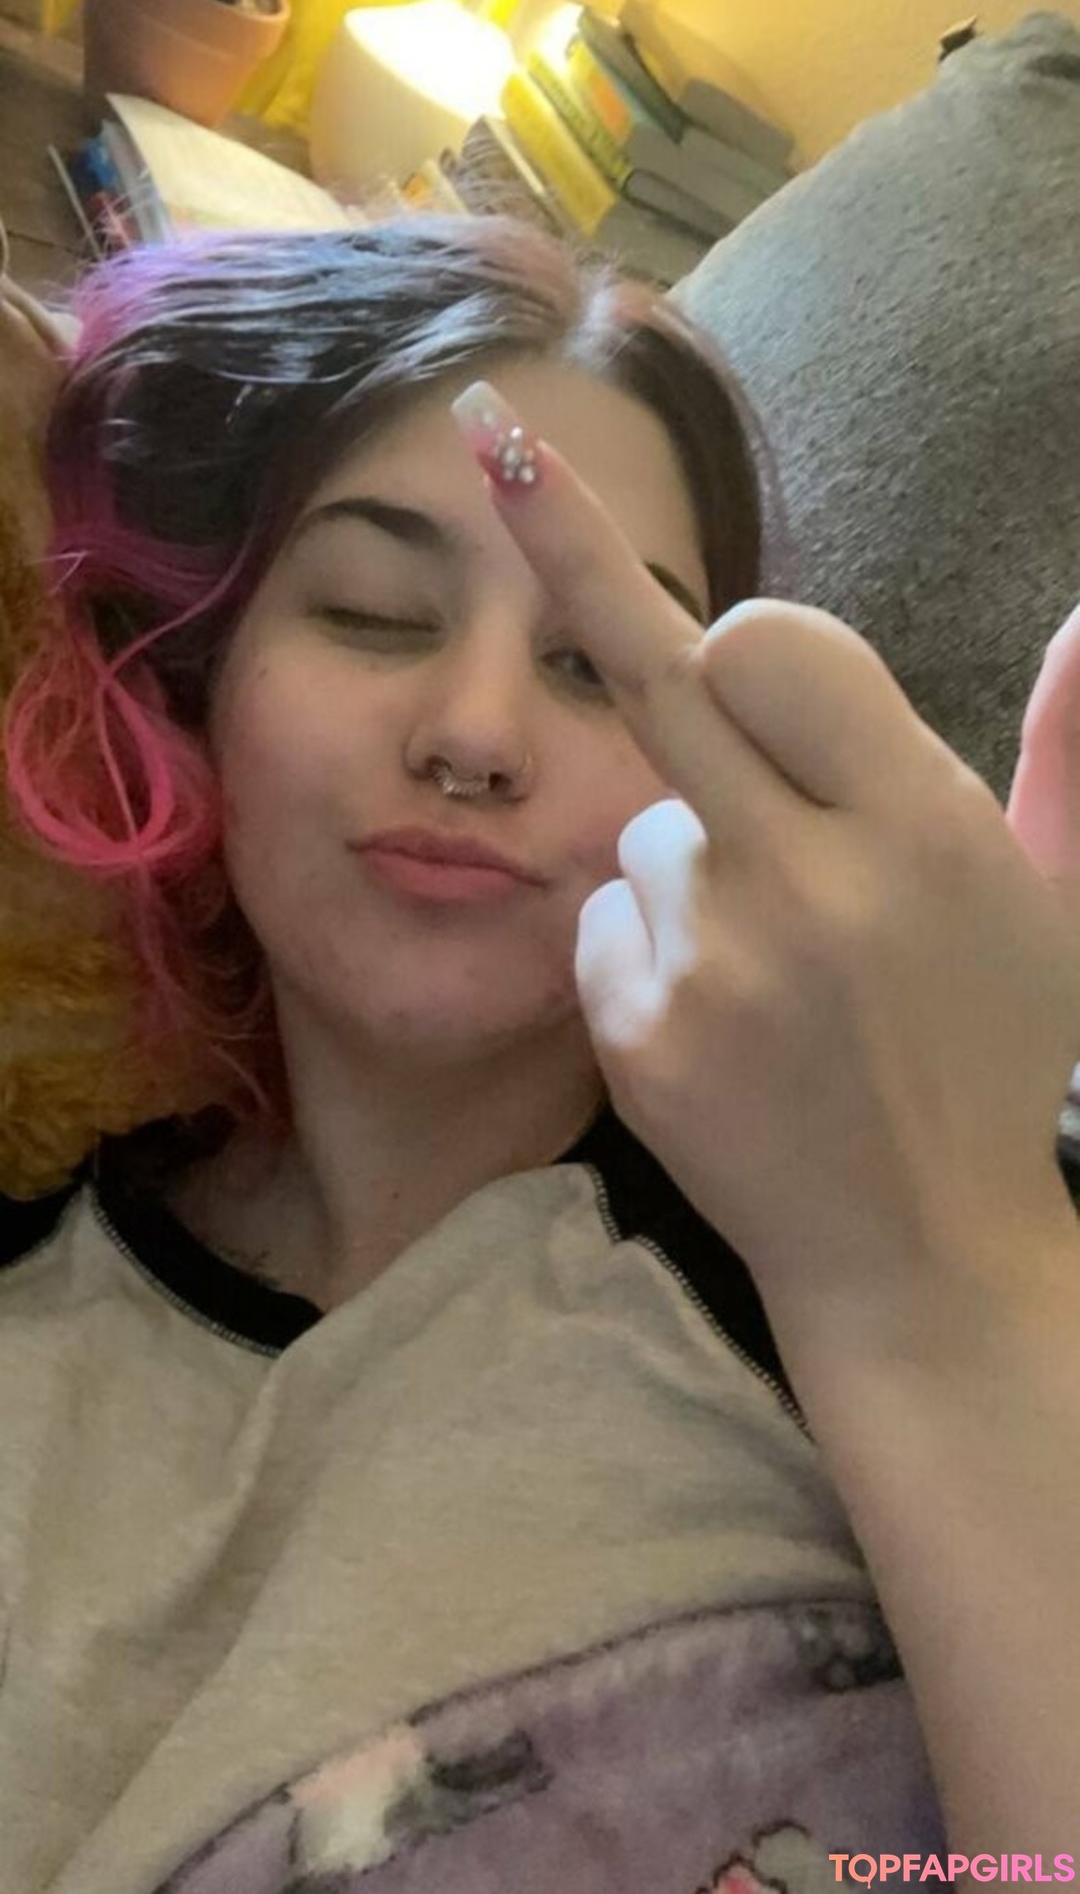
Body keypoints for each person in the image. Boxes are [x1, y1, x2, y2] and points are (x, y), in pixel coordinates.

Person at [0, 215, 1077, 1893]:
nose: (478, 735)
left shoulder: (891, 1241)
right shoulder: (37, 1279)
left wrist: (949, 1280)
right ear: (202, 675)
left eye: (593, 661)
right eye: (373, 613)